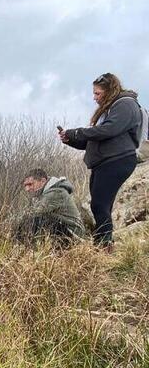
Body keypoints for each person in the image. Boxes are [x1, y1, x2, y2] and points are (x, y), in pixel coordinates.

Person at [59, 73, 141, 248]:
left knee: (100, 204)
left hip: (117, 160)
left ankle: (103, 246)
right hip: (105, 162)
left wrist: (77, 132)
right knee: (100, 205)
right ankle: (104, 244)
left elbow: (108, 130)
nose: (94, 98)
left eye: (97, 93)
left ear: (109, 90)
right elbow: (96, 139)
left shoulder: (125, 104)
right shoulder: (110, 109)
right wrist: (70, 139)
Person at [14, 168, 86, 248]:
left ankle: (25, 250)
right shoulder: (45, 193)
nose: (27, 189)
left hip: (75, 237)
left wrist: (5, 224)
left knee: (35, 221)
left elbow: (30, 214)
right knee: (34, 221)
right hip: (67, 231)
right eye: (25, 186)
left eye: (30, 184)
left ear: (43, 181)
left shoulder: (55, 193)